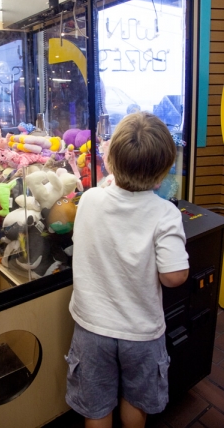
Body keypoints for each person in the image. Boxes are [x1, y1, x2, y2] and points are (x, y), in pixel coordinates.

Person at [65, 111, 189, 428]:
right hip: (141, 333)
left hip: (92, 328)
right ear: (164, 171)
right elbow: (174, 276)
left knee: (95, 407)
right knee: (135, 401)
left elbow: (108, 200)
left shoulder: (90, 200)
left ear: (109, 161)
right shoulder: (165, 214)